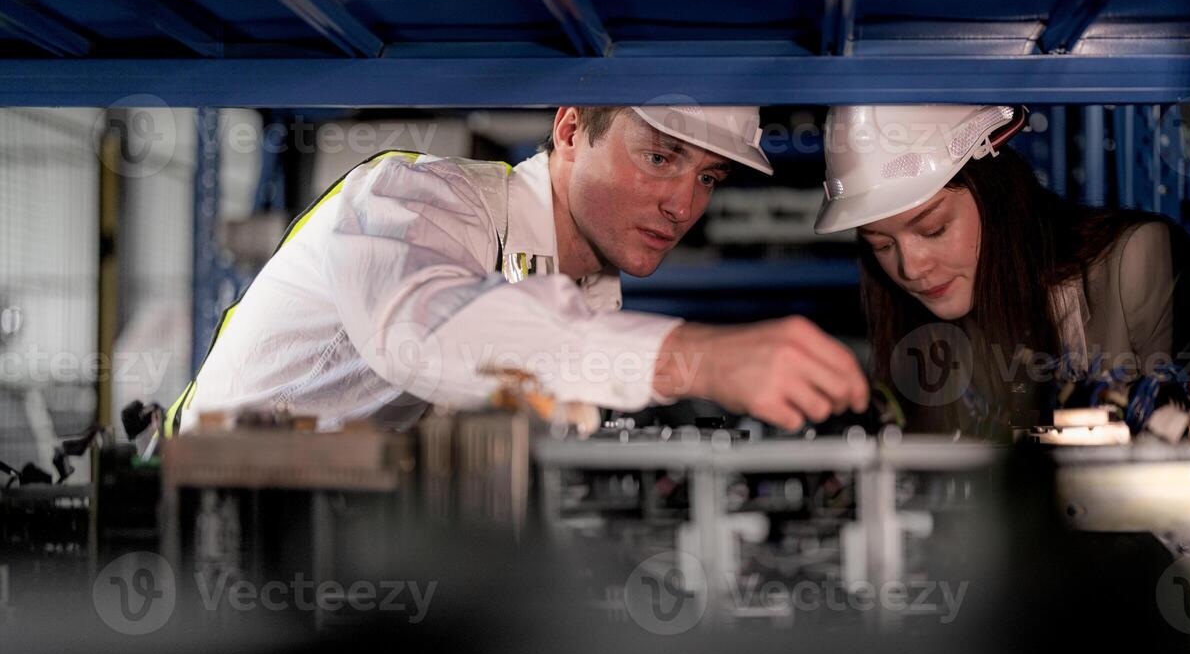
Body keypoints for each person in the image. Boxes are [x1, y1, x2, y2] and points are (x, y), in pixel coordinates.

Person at [165, 105, 869, 435]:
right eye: (659, 158)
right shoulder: (416, 197)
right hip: (215, 534)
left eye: (709, 178)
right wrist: (694, 357)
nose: (684, 205)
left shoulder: (588, 292)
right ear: (569, 130)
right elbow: (429, 333)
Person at [814, 104, 1177, 436]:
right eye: (881, 244)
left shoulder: (1132, 261)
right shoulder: (929, 342)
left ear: (996, 193)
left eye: (933, 229)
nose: (910, 267)